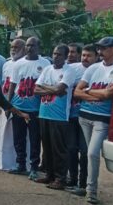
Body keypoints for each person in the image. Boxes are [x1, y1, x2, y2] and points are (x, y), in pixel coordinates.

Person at [73, 37, 113, 204]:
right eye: (100, 48)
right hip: (84, 115)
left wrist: (88, 91)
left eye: (105, 48)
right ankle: (87, 186)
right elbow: (76, 92)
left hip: (102, 118)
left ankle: (91, 190)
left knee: (93, 153)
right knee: (88, 153)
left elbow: (108, 95)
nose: (101, 51)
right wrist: (95, 92)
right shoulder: (94, 67)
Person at [34, 45, 79, 190]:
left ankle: (60, 178)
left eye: (59, 54)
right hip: (44, 113)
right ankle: (50, 175)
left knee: (59, 148)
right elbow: (35, 89)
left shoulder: (69, 71)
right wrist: (53, 89)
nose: (56, 57)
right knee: (46, 147)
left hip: (59, 116)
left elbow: (61, 89)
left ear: (65, 57)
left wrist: (49, 88)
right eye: (54, 54)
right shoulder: (47, 69)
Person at [7, 37, 50, 179]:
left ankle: (33, 167)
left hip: (36, 109)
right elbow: (13, 85)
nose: (29, 48)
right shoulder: (18, 64)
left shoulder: (45, 64)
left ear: (39, 47)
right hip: (18, 106)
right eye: (27, 45)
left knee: (34, 139)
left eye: (32, 45)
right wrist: (8, 105)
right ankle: (20, 164)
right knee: (18, 138)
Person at [65, 44, 97, 196]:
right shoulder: (73, 69)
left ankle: (83, 183)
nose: (85, 58)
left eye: (89, 55)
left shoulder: (98, 71)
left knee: (85, 151)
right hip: (72, 115)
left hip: (88, 116)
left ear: (96, 57)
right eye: (83, 55)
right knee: (71, 148)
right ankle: (72, 178)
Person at [0, 38, 26, 172]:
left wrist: (9, 105)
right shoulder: (7, 63)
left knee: (19, 136)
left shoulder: (24, 63)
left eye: (17, 48)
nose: (14, 50)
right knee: (4, 133)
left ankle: (20, 163)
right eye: (12, 47)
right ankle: (4, 162)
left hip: (17, 104)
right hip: (4, 101)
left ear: (24, 49)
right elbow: (4, 84)